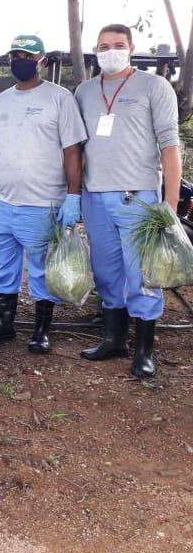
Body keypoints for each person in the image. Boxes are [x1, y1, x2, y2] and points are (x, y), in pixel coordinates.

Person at [75, 24, 180, 377]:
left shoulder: (154, 86)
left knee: (142, 274)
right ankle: (114, 339)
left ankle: (144, 350)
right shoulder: (85, 91)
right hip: (95, 195)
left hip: (138, 197)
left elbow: (169, 145)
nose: (111, 51)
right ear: (95, 50)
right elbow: (76, 147)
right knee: (106, 272)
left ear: (132, 48)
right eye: (104, 46)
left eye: (118, 45)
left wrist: (170, 202)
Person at [0, 34, 86, 351]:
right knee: (1, 265)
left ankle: (41, 331)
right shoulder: (3, 99)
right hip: (0, 200)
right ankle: (2, 325)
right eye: (14, 56)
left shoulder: (59, 98)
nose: (20, 61)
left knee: (41, 266)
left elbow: (72, 151)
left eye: (27, 55)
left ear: (42, 61)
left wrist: (73, 195)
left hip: (41, 202)